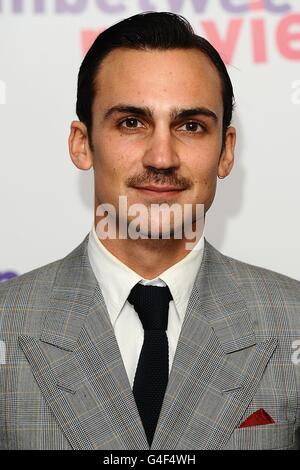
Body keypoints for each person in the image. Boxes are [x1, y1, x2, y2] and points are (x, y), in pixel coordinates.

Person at [0, 11, 299, 451]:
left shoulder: (292, 322)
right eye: (131, 122)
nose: (162, 157)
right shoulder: (8, 325)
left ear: (225, 152)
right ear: (82, 144)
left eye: (191, 126)